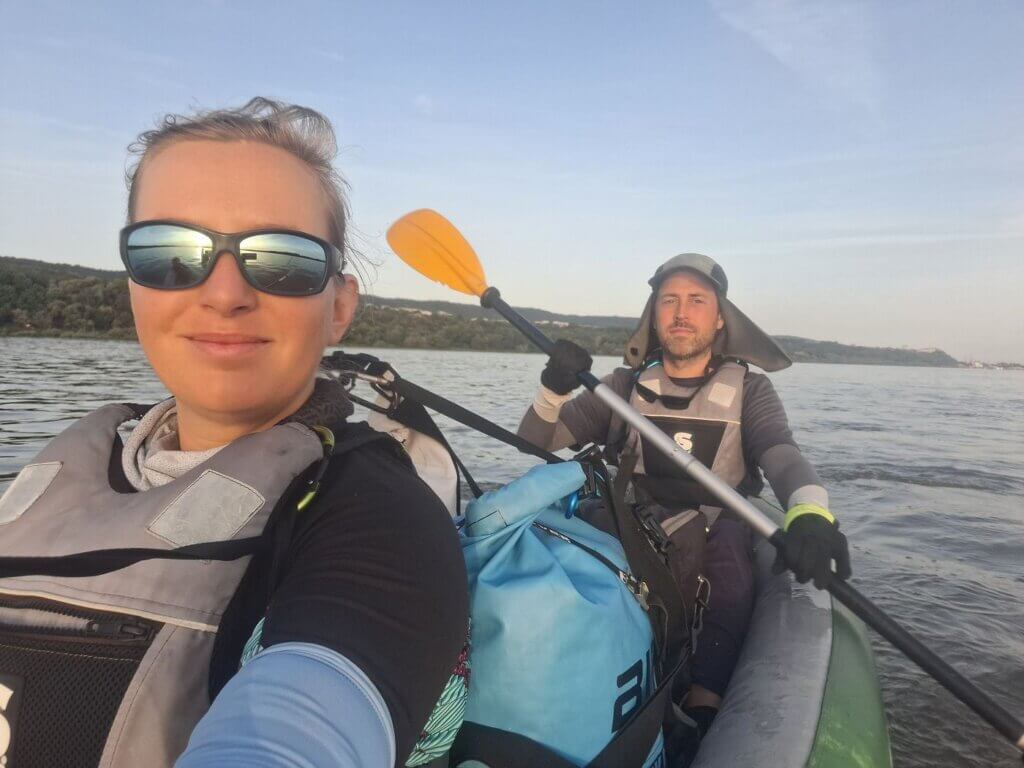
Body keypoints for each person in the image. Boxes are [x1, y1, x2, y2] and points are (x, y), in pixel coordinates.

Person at [0, 99, 468, 768]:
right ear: (133, 284)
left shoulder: (381, 521)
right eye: (169, 252)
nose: (223, 293)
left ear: (338, 309)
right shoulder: (64, 474)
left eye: (282, 260)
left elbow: (298, 736)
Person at [517, 253, 851, 740]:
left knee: (731, 561)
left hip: (720, 528)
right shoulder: (621, 386)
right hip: (636, 523)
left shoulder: (750, 392)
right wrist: (552, 391)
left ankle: (704, 705)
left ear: (719, 319)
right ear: (654, 315)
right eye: (668, 300)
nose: (680, 311)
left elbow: (780, 454)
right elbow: (533, 444)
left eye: (696, 300)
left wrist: (810, 511)